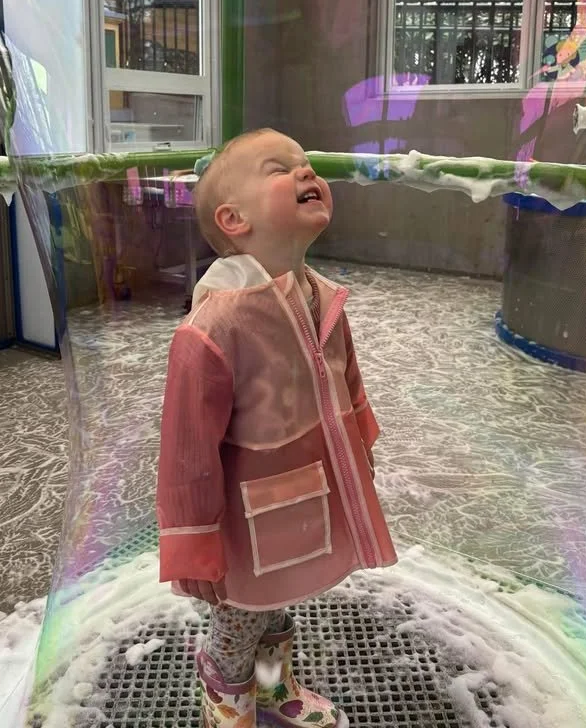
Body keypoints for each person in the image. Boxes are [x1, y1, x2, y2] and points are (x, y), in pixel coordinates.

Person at [157, 129, 396, 728]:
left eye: (308, 164)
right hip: (245, 510)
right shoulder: (216, 326)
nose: (305, 172)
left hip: (307, 491)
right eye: (279, 168)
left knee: (282, 600)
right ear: (233, 219)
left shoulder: (321, 296)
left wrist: (360, 446)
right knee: (241, 618)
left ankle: (270, 689)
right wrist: (192, 541)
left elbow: (347, 379)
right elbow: (185, 450)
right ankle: (227, 704)